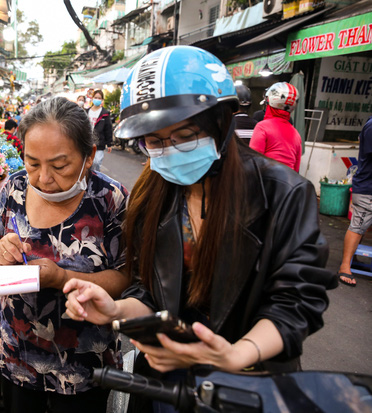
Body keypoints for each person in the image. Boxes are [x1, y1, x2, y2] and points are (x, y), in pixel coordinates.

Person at [63, 46, 336, 412]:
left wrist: (237, 354)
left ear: (222, 123)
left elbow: (297, 301)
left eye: (185, 135)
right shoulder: (150, 194)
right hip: (167, 382)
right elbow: (148, 288)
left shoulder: (283, 193)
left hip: (250, 381)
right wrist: (116, 309)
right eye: (155, 142)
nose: (169, 151)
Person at [0, 97, 129, 413]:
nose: (43, 178)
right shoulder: (15, 187)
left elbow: (126, 280)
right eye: (32, 163)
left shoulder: (109, 199)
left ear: (89, 157)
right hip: (17, 355)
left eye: (60, 166)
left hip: (85, 365)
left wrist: (61, 278)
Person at [337, 114, 372, 286]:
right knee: (358, 226)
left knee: (362, 226)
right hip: (368, 188)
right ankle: (345, 266)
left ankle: (352, 257)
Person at [249, 82, 302, 172]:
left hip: (267, 181)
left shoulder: (262, 127)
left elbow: (254, 162)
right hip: (289, 183)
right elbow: (296, 169)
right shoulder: (296, 134)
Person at [87, 89, 113, 172]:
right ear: (92, 98)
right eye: (96, 97)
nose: (97, 99)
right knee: (87, 162)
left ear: (102, 100)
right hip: (87, 140)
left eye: (99, 98)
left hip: (99, 142)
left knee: (97, 162)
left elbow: (108, 129)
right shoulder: (87, 112)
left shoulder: (105, 114)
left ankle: (95, 178)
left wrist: (109, 143)